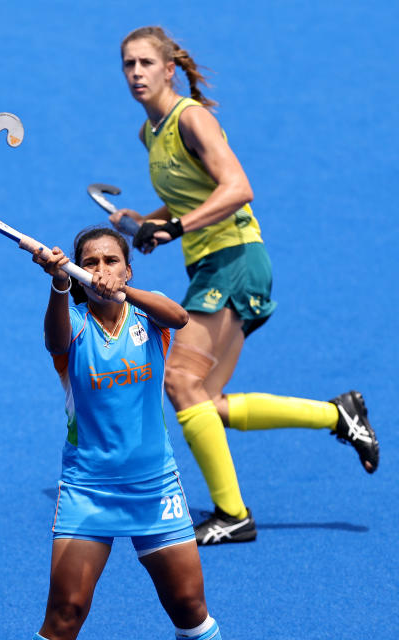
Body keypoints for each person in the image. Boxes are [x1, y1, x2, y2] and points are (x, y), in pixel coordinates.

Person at [109, 25, 379, 545]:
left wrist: (176, 228)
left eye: (145, 63)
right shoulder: (150, 133)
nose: (136, 73)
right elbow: (192, 196)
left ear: (170, 69)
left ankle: (232, 515)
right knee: (205, 402)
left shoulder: (192, 119)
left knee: (178, 379)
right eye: (128, 64)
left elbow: (237, 188)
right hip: (211, 264)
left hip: (233, 259)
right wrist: (144, 220)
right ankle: (338, 414)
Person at [29, 227, 221, 640]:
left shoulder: (150, 321)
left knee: (189, 607)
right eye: (90, 263)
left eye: (111, 261)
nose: (101, 269)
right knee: (66, 612)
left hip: (155, 488)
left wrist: (122, 293)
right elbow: (54, 338)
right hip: (90, 491)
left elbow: (180, 316)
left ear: (128, 270)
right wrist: (60, 284)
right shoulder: (75, 326)